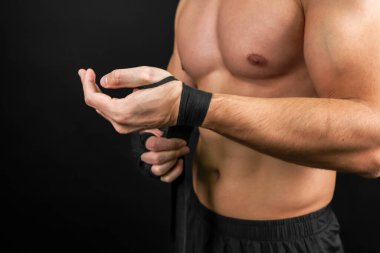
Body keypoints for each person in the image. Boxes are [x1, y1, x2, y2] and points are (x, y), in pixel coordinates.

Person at [78, 0, 380, 252]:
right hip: (195, 225)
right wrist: (152, 139)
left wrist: (193, 106)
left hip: (282, 240)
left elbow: (372, 144)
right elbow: (181, 85)